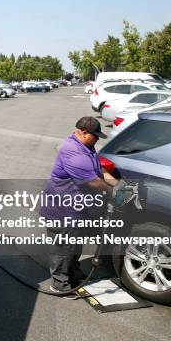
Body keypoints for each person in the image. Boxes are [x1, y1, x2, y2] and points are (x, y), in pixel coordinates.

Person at [40, 116, 118, 294]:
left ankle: (74, 274)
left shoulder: (86, 147)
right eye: (95, 135)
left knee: (75, 245)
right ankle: (59, 285)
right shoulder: (72, 151)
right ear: (83, 132)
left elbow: (99, 171)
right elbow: (92, 181)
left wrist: (117, 183)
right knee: (63, 249)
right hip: (61, 211)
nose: (97, 139)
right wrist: (114, 191)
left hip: (77, 209)